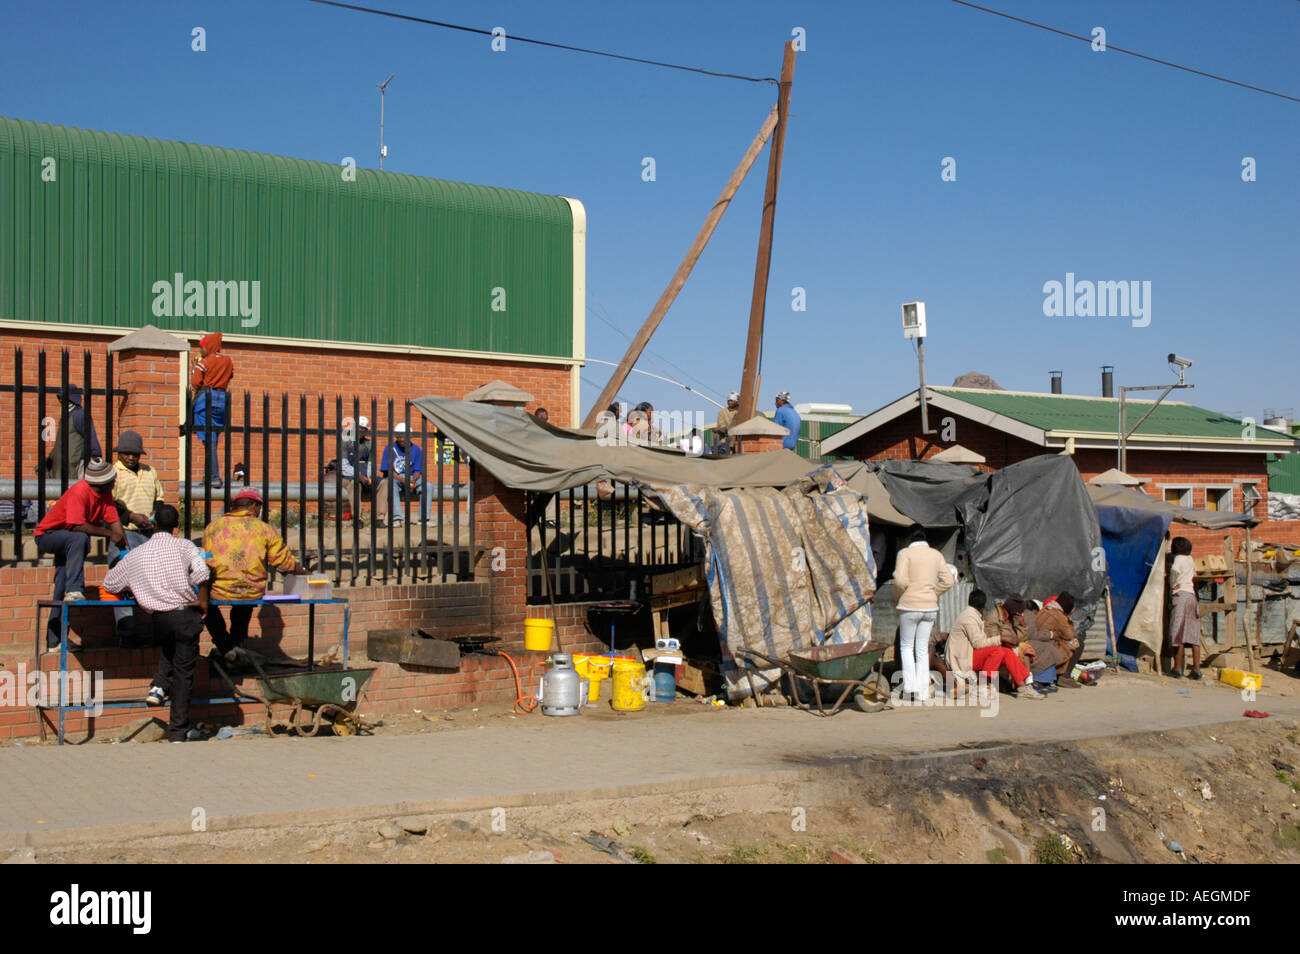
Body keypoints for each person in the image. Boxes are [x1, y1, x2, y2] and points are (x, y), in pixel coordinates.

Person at [103, 505, 210, 743]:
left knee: (169, 652)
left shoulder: (137, 554)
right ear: (176, 527)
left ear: (153, 525)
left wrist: (136, 584)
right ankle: (178, 732)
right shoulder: (184, 546)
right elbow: (202, 572)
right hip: (185, 614)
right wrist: (202, 601)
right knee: (184, 674)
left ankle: (159, 686)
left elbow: (110, 584)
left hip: (159, 619)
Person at [202, 488, 308, 662]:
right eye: (259, 507)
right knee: (243, 608)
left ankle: (224, 645)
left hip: (219, 590)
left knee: (205, 605)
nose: (259, 511)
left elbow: (206, 561)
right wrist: (304, 572)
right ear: (252, 505)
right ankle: (232, 646)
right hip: (251, 590)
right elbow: (283, 561)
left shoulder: (214, 527)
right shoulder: (264, 529)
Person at [33, 458, 126, 650]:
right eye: (112, 480)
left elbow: (115, 524)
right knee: (81, 539)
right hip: (48, 536)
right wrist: (110, 534)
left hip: (68, 541)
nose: (114, 482)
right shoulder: (80, 491)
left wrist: (126, 548)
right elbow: (77, 526)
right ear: (101, 482)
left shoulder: (105, 495)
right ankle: (75, 588)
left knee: (61, 586)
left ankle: (56, 641)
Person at [109, 430, 165, 639]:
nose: (131, 457)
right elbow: (109, 505)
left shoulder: (150, 471)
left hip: (148, 534)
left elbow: (159, 496)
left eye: (135, 454)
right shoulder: (113, 473)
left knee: (154, 580)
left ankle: (158, 630)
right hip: (126, 533)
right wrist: (131, 516)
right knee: (123, 582)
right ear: (119, 453)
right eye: (127, 453)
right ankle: (127, 633)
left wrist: (154, 513)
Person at [892, 527, 954, 701]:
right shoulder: (936, 555)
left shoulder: (905, 553)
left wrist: (899, 595)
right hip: (930, 607)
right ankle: (923, 692)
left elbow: (900, 580)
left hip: (909, 606)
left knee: (906, 647)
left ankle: (910, 687)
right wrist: (933, 593)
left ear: (909, 538)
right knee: (921, 648)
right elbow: (948, 580)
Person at [190, 332, 234, 488]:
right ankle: (209, 475)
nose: (200, 350)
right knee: (213, 440)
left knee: (209, 442)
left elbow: (195, 384)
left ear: (208, 346)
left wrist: (194, 368)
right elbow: (230, 376)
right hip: (223, 400)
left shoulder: (204, 362)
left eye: (202, 347)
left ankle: (213, 477)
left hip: (206, 399)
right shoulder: (228, 361)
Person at [981, 593, 1046, 698]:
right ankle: (1024, 685)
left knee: (1025, 647)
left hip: (1004, 648)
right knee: (1019, 649)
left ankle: (1026, 685)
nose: (1021, 614)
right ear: (1015, 611)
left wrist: (1022, 625)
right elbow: (992, 639)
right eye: (1020, 612)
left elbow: (1017, 637)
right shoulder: (994, 617)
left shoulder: (1009, 617)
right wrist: (1008, 640)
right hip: (991, 650)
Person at [44, 384, 102, 482]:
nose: (61, 401)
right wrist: (50, 460)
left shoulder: (80, 414)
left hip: (73, 468)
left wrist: (94, 458)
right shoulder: (65, 417)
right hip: (60, 467)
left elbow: (91, 439)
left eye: (63, 398)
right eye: (60, 398)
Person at [376, 422, 425, 527]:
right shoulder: (390, 448)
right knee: (391, 485)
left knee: (428, 485)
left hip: (411, 477)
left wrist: (413, 481)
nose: (402, 439)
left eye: (404, 436)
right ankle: (397, 518)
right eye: (399, 436)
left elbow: (418, 470)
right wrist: (403, 480)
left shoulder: (416, 449)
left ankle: (424, 518)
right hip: (395, 478)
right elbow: (387, 470)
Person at [1168, 537, 1202, 679]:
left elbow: (1175, 571)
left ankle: (1177, 668)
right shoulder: (1190, 559)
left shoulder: (1179, 559)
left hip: (1180, 595)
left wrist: (1172, 584)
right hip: (1192, 596)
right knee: (1193, 634)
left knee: (1178, 633)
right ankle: (1196, 669)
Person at [1032, 592, 1079, 686]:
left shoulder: (1045, 609)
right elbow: (1070, 635)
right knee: (1076, 643)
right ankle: (1064, 676)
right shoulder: (1059, 616)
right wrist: (1068, 617)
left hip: (1036, 644)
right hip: (1045, 649)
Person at [336, 416, 373, 521]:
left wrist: (369, 477)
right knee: (354, 483)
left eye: (364, 429)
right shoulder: (345, 442)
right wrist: (359, 476)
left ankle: (379, 518)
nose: (361, 431)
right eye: (359, 428)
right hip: (347, 477)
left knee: (383, 483)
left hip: (364, 476)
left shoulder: (368, 444)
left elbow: (370, 463)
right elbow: (344, 466)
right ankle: (358, 518)